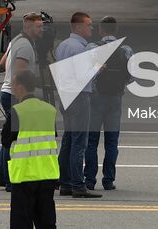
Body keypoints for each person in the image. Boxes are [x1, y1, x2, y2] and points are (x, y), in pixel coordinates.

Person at [0, 11, 45, 188]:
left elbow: (2, 63)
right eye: (38, 26)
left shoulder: (14, 41)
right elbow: (21, 74)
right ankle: (10, 179)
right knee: (16, 138)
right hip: (16, 95)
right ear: (28, 27)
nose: (42, 29)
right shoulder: (25, 46)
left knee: (9, 135)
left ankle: (1, 176)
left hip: (6, 91)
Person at [4, 69, 59, 229]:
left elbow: (6, 140)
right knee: (47, 222)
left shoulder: (17, 111)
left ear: (20, 87)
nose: (13, 88)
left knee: (21, 222)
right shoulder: (50, 110)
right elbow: (52, 134)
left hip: (24, 174)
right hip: (47, 172)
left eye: (14, 85)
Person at [55, 12, 102, 198]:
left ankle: (65, 182)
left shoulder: (63, 46)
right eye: (89, 25)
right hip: (79, 96)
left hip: (65, 95)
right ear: (79, 27)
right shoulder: (81, 49)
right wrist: (97, 68)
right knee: (79, 143)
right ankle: (78, 185)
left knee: (68, 140)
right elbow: (83, 76)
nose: (91, 28)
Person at [87, 15, 131, 192]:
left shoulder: (93, 48)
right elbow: (131, 75)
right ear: (116, 30)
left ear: (100, 30)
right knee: (112, 142)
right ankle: (108, 179)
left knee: (91, 141)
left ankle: (89, 179)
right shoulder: (126, 50)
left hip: (96, 98)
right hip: (115, 98)